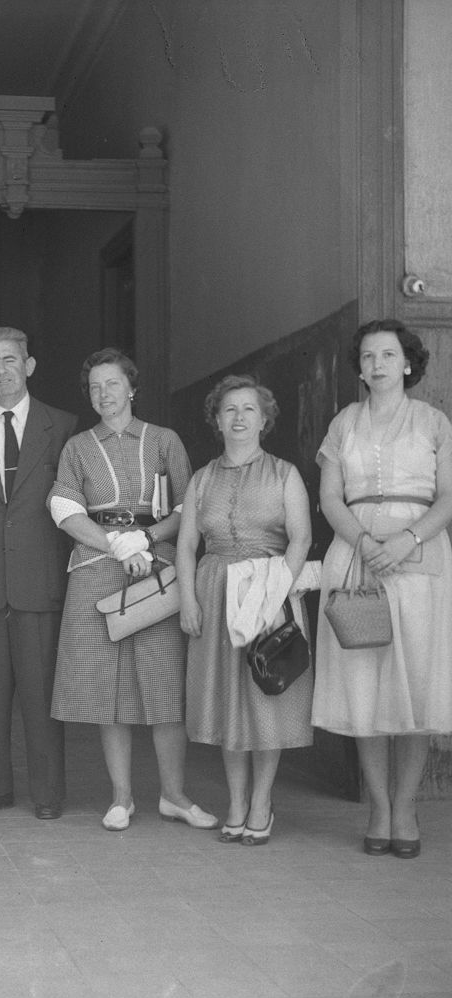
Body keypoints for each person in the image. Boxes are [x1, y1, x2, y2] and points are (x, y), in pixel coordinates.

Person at [49, 348, 216, 832]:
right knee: (108, 687)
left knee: (164, 684)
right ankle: (121, 797)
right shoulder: (78, 446)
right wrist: (119, 546)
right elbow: (65, 508)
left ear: (132, 388)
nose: (104, 394)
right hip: (97, 567)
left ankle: (174, 796)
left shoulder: (164, 440)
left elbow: (189, 507)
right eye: (95, 387)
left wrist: (146, 539)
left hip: (158, 570)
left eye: (113, 384)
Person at [313, 319, 452, 859]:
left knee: (416, 683)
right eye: (369, 356)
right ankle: (378, 807)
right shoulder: (343, 423)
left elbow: (447, 497)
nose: (377, 364)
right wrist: (367, 542)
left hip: (420, 553)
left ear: (409, 363)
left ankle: (407, 807)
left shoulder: (434, 422)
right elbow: (329, 499)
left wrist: (406, 539)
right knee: (364, 684)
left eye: (389, 355)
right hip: (356, 554)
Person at [177, 375, 313, 846]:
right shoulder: (203, 478)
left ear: (264, 419)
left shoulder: (284, 474)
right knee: (226, 704)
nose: (238, 417)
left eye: (248, 409)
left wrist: (275, 595)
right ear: (217, 420)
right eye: (229, 410)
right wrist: (189, 599)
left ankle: (261, 802)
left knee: (264, 703)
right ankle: (236, 801)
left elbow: (301, 538)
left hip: (269, 593)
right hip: (215, 592)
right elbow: (188, 544)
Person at [0, 327, 76, 820]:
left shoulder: (64, 425)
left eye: (10, 360)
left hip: (40, 577)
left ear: (29, 366)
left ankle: (47, 794)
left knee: (41, 692)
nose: (1, 370)